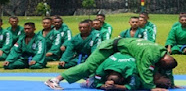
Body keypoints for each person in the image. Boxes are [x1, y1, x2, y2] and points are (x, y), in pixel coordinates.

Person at [45, 38, 178, 91]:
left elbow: (167, 69)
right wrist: (151, 88)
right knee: (89, 66)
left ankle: (91, 79)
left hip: (120, 48)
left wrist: (171, 83)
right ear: (162, 61)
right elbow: (144, 71)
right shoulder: (150, 54)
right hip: (111, 47)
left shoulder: (163, 53)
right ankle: (54, 80)